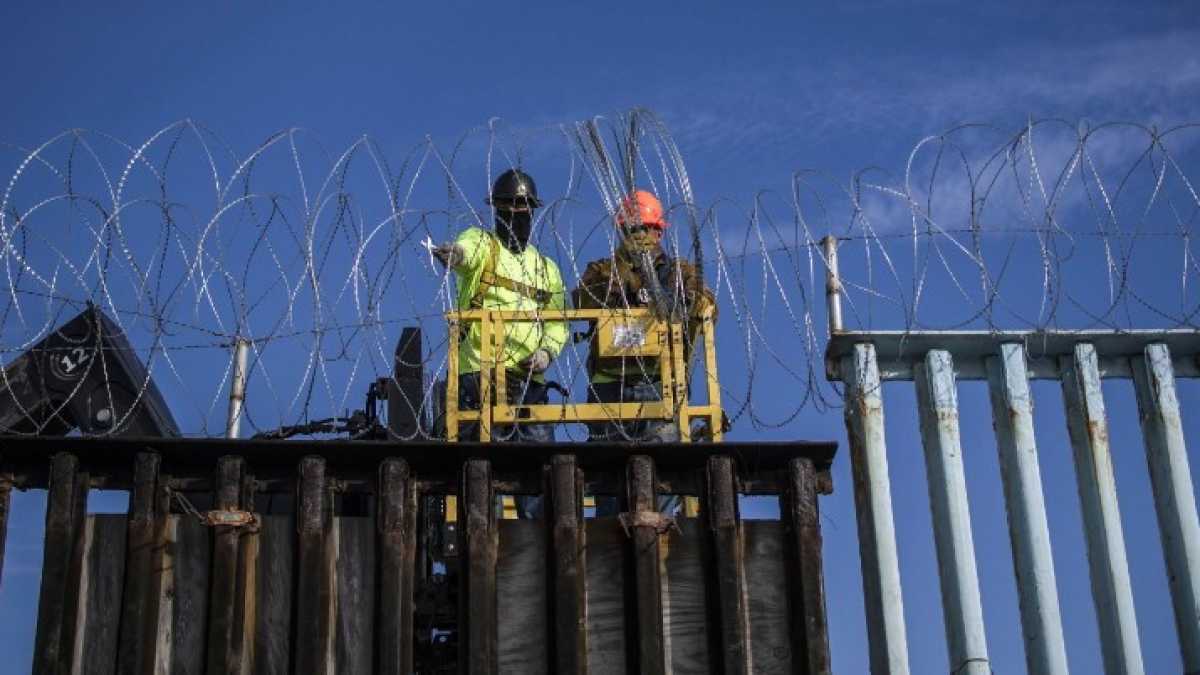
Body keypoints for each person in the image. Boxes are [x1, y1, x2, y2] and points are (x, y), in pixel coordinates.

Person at [431, 168, 567, 517]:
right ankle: (481, 536)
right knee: (481, 475)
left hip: (529, 382)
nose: (516, 213)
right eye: (509, 206)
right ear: (497, 209)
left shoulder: (546, 268)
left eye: (522, 207)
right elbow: (467, 252)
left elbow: (557, 322)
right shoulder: (483, 243)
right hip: (480, 378)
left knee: (537, 476)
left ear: (532, 211)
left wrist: (547, 352)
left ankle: (538, 541)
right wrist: (455, 255)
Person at [572, 189, 717, 515]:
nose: (639, 236)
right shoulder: (603, 270)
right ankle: (610, 538)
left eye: (645, 229)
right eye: (632, 230)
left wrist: (678, 301)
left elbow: (707, 305)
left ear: (659, 232)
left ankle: (656, 536)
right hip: (610, 387)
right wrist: (625, 273)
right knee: (609, 478)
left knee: (661, 476)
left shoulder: (679, 272)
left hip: (659, 385)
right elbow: (582, 300)